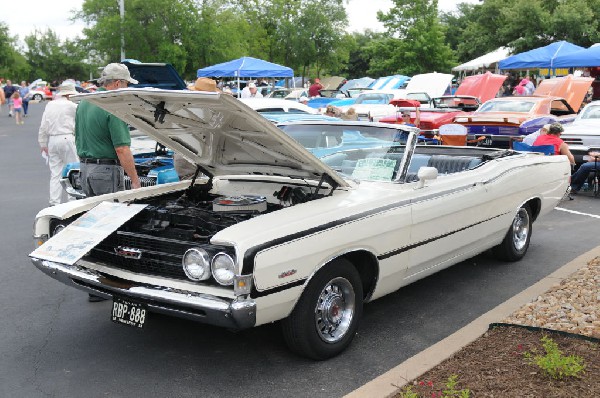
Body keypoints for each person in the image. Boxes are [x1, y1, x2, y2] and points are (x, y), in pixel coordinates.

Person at [75, 63, 141, 302]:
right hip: (105, 169)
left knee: (93, 225)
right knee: (111, 226)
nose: (125, 89)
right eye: (125, 84)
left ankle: (94, 281)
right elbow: (122, 148)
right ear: (116, 84)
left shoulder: (84, 103)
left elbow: (78, 136)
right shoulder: (112, 108)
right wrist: (134, 180)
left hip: (86, 167)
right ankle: (110, 282)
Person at [38, 82, 79, 206]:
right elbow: (78, 125)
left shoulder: (50, 105)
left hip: (52, 140)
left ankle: (54, 202)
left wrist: (43, 143)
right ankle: (72, 200)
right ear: (69, 94)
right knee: (73, 170)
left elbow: (43, 126)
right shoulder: (73, 106)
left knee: (55, 172)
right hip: (67, 138)